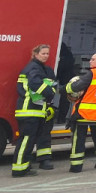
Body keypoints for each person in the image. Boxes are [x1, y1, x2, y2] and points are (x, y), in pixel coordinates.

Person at [12, 44, 58, 177]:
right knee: (26, 140)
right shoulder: (33, 68)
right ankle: (19, 169)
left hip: (35, 111)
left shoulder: (41, 68)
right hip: (28, 110)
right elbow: (35, 84)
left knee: (29, 140)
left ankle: (24, 167)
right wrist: (49, 93)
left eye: (47, 54)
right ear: (36, 54)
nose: (46, 56)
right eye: (43, 53)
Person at [65, 52, 96, 173]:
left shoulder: (92, 73)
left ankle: (76, 166)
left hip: (84, 114)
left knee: (79, 140)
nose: (90, 61)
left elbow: (76, 87)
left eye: (93, 59)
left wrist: (65, 88)